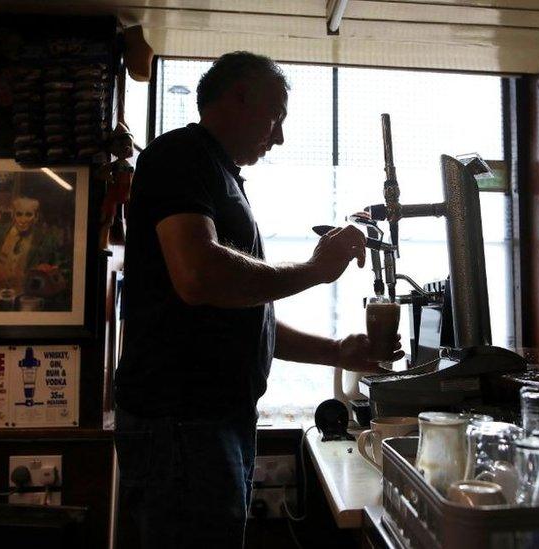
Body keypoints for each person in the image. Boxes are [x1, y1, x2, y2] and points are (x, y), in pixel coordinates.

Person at [114, 51, 402, 548]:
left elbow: (237, 312)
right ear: (237, 98)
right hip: (182, 421)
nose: (280, 136)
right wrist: (315, 271)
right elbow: (199, 278)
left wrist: (335, 352)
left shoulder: (218, 175)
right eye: (277, 117)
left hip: (212, 420)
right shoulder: (179, 156)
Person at [0, 194, 64, 307]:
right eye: (19, 214)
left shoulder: (46, 238)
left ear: (36, 216)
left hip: (27, 299)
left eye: (28, 215)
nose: (23, 220)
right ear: (13, 215)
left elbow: (56, 267)